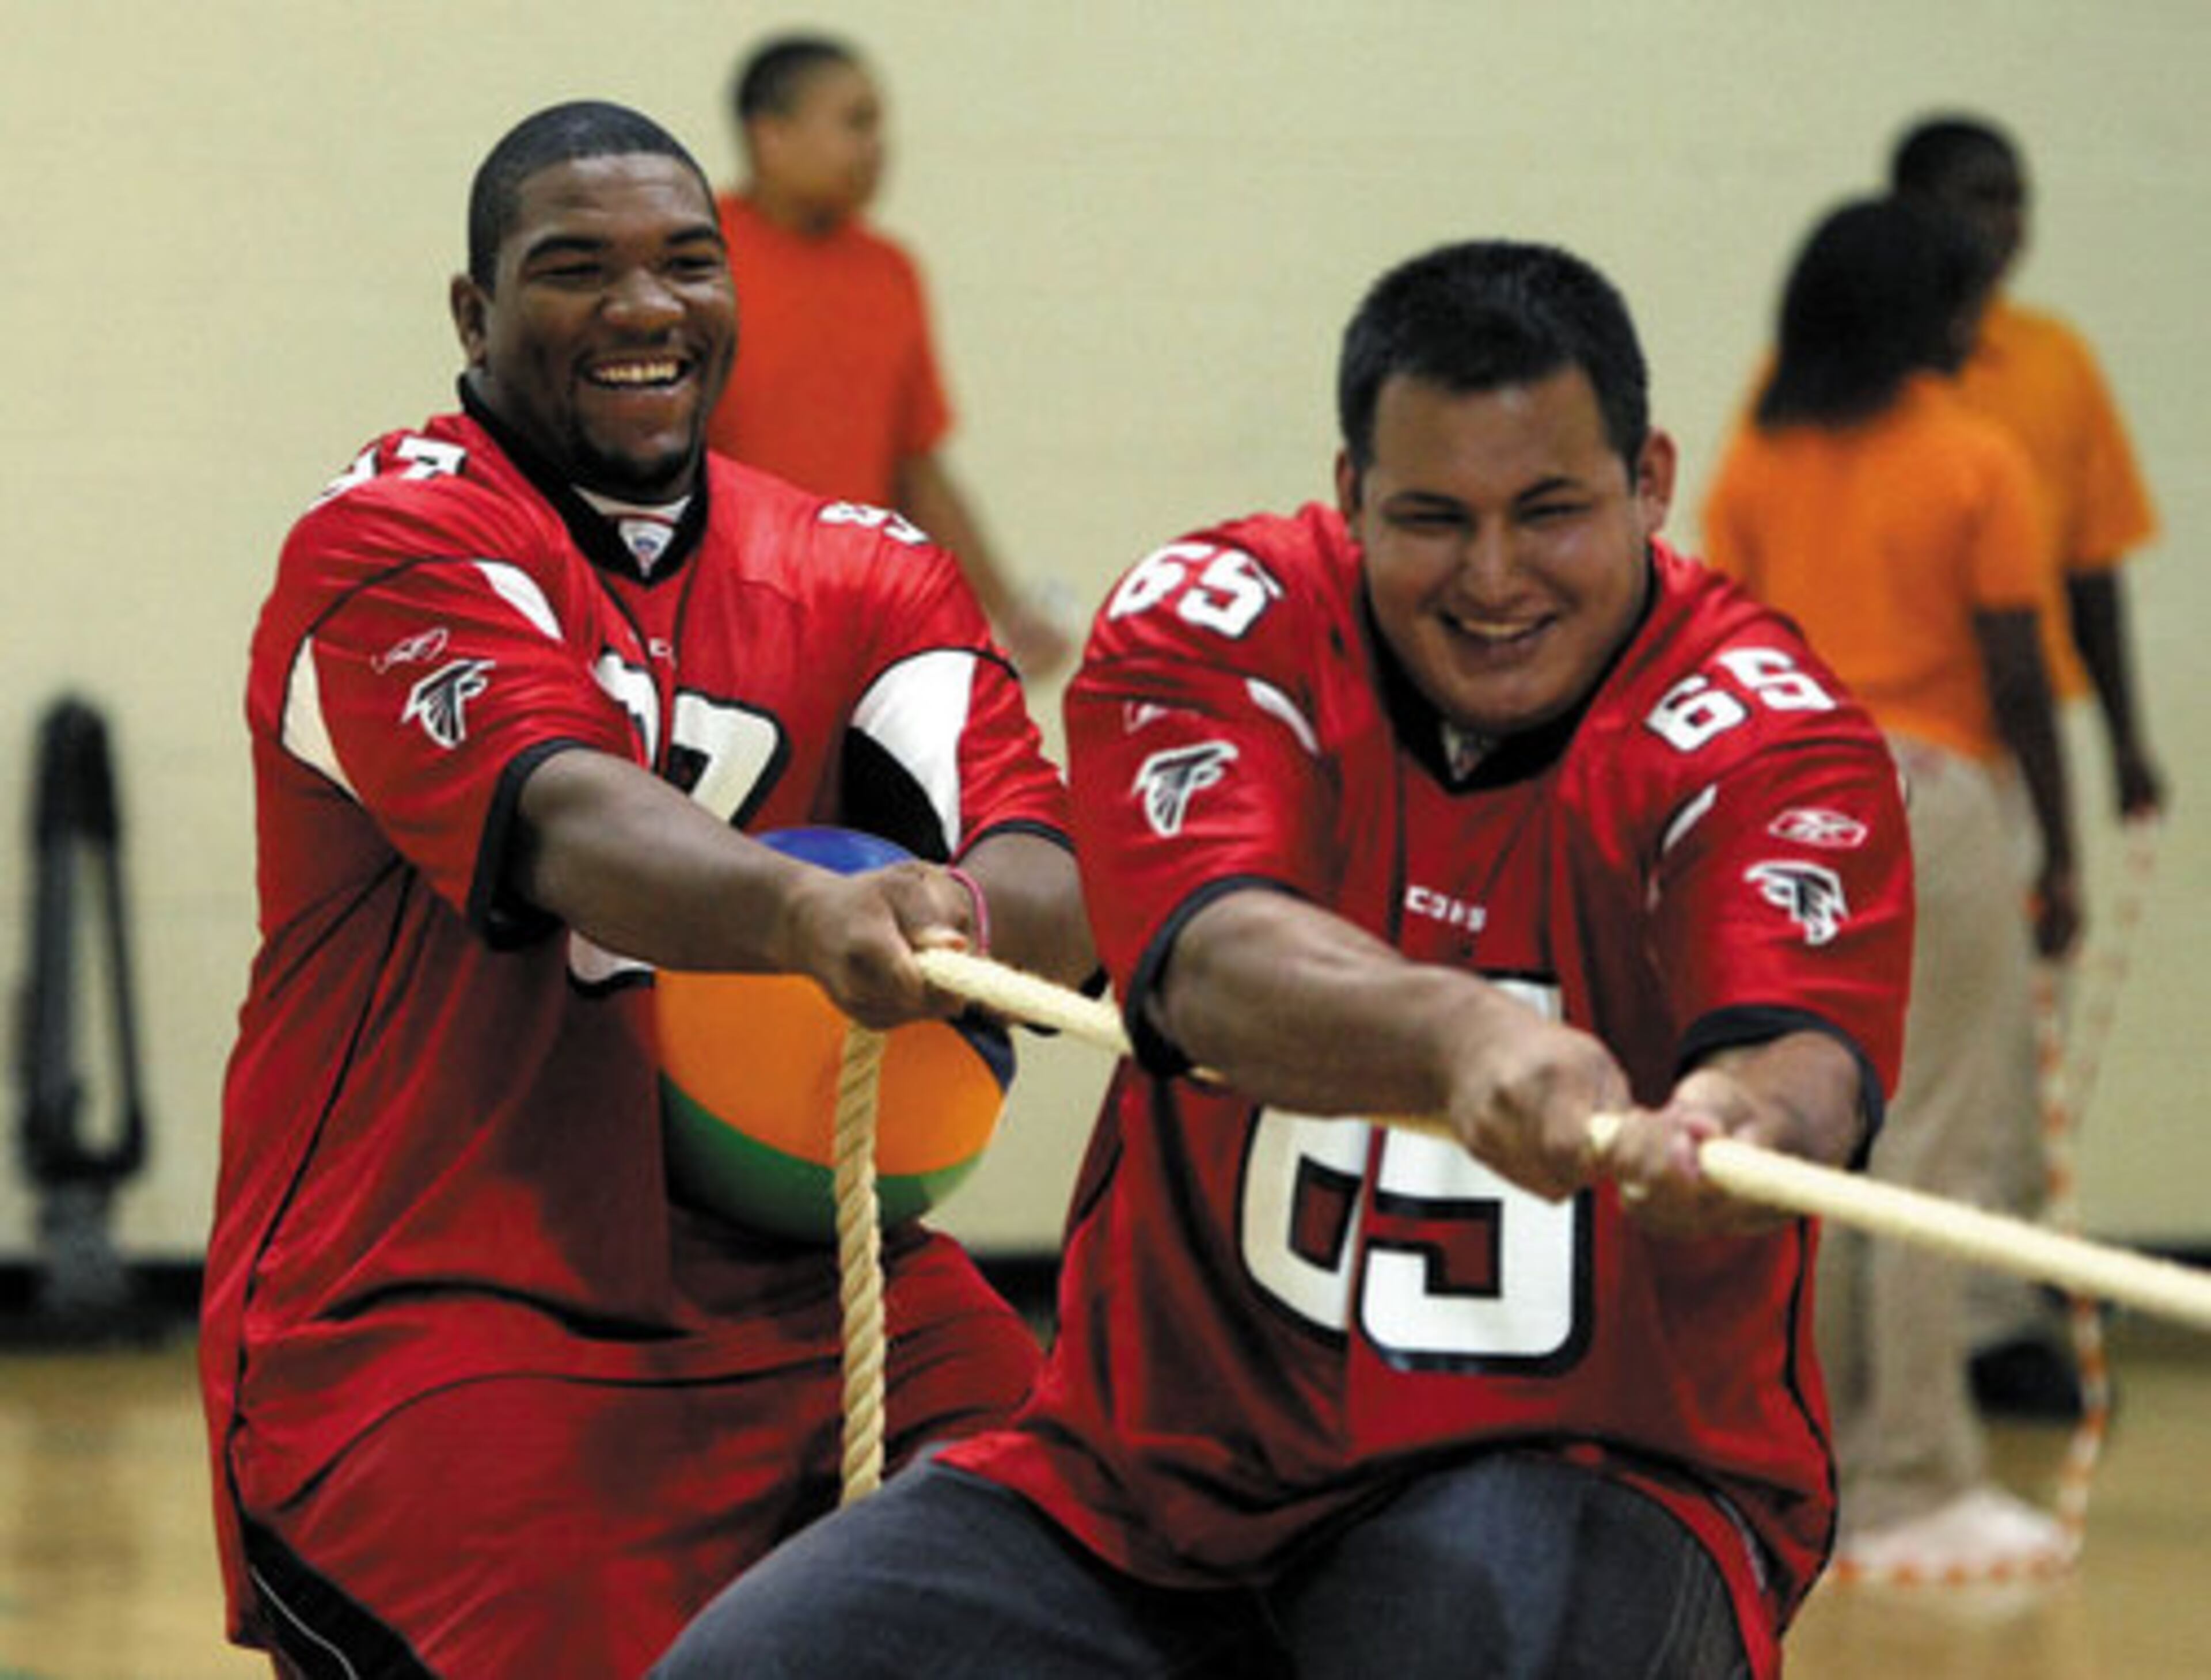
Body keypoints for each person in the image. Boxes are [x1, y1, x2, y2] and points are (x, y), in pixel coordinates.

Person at [654, 240, 1913, 1680]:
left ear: (1650, 482)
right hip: (1148, 1483)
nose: (1493, 577)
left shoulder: (1771, 732)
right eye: (1432, 517)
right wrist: (1462, 1038)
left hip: (1598, 1463)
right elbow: (1203, 961)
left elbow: (1800, 1053)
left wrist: (1736, 1121)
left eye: (1549, 511)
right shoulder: (1209, 624)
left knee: (1441, 1626)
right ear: (1350, 494)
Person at [199, 100, 1095, 1678]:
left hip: (801, 1289)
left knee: (1098, 1536)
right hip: (433, 1309)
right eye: (577, 269)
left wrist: (965, 912)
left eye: (688, 262)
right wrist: (802, 912)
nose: (644, 307)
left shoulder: (859, 562)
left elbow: (1040, 855)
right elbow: (571, 817)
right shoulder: (388, 540)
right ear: (473, 315)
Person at [1703, 196, 2072, 1576]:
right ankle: (1912, 1468)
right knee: (1934, 1140)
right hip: (1927, 789)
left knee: (1819, 1131)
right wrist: (2060, 843)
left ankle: (1812, 1451)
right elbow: (2018, 667)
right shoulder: (1970, 455)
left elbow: (1719, 629)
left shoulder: (1754, 446)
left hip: (1785, 784)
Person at [1893, 112, 2168, 1415]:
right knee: (1900, 1059)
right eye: (1970, 197)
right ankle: (1905, 1336)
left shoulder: (2050, 366)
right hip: (1875, 761)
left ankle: (1989, 1313)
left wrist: (2122, 742)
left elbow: (2088, 570)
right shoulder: (1841, 374)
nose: (2000, 223)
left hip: (2000, 763)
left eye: (2015, 196)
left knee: (2007, 1054)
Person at [705, 33, 1073, 679]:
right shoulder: (695, 261)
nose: (878, 147)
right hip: (719, 620)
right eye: (856, 123)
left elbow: (917, 467)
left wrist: (1006, 608)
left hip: (856, 625)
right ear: (771, 136)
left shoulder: (890, 272)